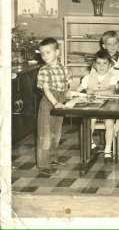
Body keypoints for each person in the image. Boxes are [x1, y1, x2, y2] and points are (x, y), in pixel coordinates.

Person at [36, 38, 74, 175]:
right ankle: (43, 165)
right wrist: (55, 103)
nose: (45, 56)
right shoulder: (44, 70)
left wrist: (70, 88)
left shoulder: (63, 68)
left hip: (60, 102)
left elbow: (68, 84)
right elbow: (46, 90)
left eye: (48, 52)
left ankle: (52, 158)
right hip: (49, 103)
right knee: (45, 135)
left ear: (57, 52)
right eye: (42, 53)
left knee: (56, 133)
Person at [78, 49, 119, 160]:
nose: (102, 66)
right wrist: (74, 92)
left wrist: (94, 92)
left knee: (109, 123)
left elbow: (110, 92)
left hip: (108, 107)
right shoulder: (88, 77)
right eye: (99, 63)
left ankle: (107, 149)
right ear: (94, 65)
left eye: (105, 63)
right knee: (90, 120)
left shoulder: (113, 77)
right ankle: (90, 143)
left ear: (110, 65)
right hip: (93, 106)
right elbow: (78, 90)